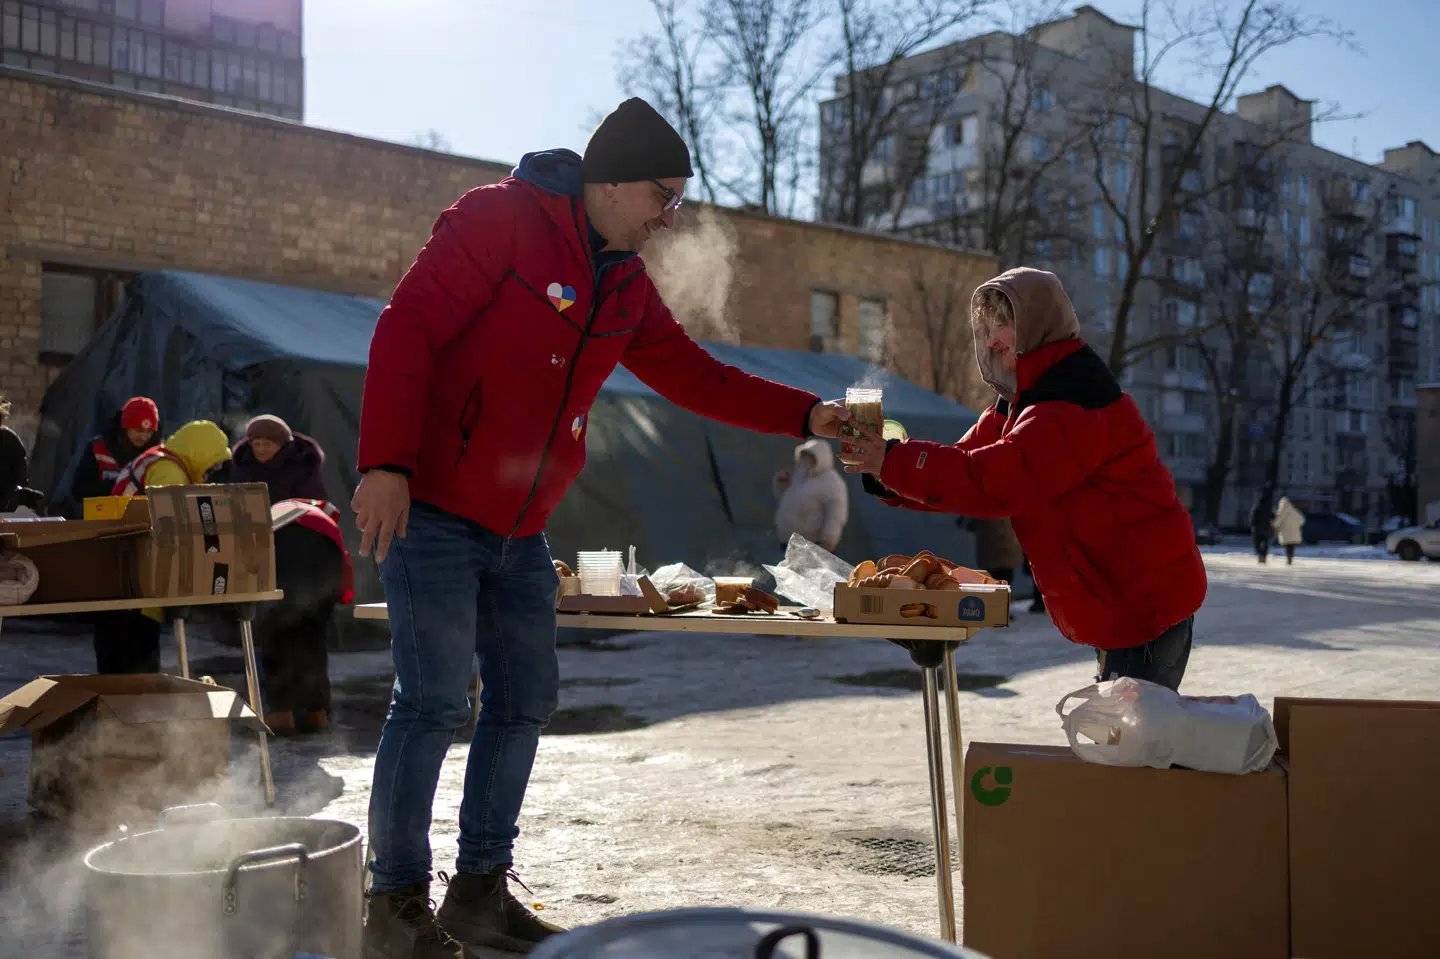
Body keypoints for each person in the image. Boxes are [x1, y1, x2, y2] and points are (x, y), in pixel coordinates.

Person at [351, 97, 849, 958]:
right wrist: (385, 462)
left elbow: (701, 380)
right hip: (431, 507)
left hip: (519, 533)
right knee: (432, 702)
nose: (672, 215)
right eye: (665, 194)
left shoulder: (623, 282)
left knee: (523, 702)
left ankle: (477, 895)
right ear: (611, 182)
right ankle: (392, 907)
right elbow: (408, 327)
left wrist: (810, 409)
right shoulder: (498, 219)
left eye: (680, 200)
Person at [841, 267, 1206, 692]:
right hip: (1119, 598)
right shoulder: (1023, 403)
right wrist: (885, 471)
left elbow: (993, 481)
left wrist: (893, 463)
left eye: (1006, 327)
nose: (994, 340)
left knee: (1135, 748)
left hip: (1143, 603)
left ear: (1038, 328)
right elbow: (965, 462)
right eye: (988, 328)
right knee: (1124, 742)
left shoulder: (1072, 402)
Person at [94, 420, 233, 675]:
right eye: (211, 462)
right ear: (198, 452)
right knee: (137, 672)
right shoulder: (169, 471)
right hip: (136, 585)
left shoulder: (158, 460)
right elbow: (172, 529)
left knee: (116, 673)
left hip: (117, 577)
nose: (210, 470)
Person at [258, 501, 353, 735]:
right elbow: (345, 564)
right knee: (313, 635)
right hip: (326, 556)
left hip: (285, 547)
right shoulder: (324, 518)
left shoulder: (277, 511)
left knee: (278, 631)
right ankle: (317, 712)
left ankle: (281, 712)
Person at [61, 396, 160, 516]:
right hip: (104, 520)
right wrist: (118, 486)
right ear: (125, 427)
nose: (144, 437)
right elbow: (79, 490)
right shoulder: (98, 449)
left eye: (149, 432)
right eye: (138, 431)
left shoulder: (156, 455)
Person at [111, 419, 232, 495]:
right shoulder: (168, 471)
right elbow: (169, 519)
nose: (214, 469)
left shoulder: (167, 460)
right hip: (126, 531)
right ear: (200, 454)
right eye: (214, 464)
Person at [228, 414, 329, 502]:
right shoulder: (243, 465)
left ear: (282, 445)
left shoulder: (302, 467)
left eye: (267, 444)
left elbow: (312, 506)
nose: (261, 450)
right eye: (257, 444)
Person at [774, 438, 848, 552]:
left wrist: (829, 540)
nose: (807, 460)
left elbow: (836, 513)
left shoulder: (831, 481)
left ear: (821, 457)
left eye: (811, 456)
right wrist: (781, 484)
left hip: (813, 545)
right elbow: (787, 502)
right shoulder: (799, 476)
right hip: (789, 543)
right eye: (804, 455)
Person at [966, 517, 1023, 586]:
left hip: (990, 550)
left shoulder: (982, 507)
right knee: (1005, 582)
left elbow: (967, 523)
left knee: (993, 583)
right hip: (1007, 549)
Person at [1272, 495, 1306, 565]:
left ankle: (1289, 559)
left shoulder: (1281, 511)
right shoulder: (1293, 510)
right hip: (1294, 532)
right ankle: (1290, 558)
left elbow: (1277, 522)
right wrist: (1295, 525)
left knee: (1288, 546)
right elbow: (1302, 520)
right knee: (1291, 546)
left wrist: (1273, 525)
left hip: (1285, 532)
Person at [1250, 487, 1274, 564]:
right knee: (1265, 543)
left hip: (1258, 528)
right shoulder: (1269, 508)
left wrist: (1252, 525)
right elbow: (1273, 517)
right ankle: (1264, 556)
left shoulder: (1256, 508)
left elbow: (1252, 517)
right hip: (1266, 528)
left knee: (1257, 543)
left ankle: (1260, 555)